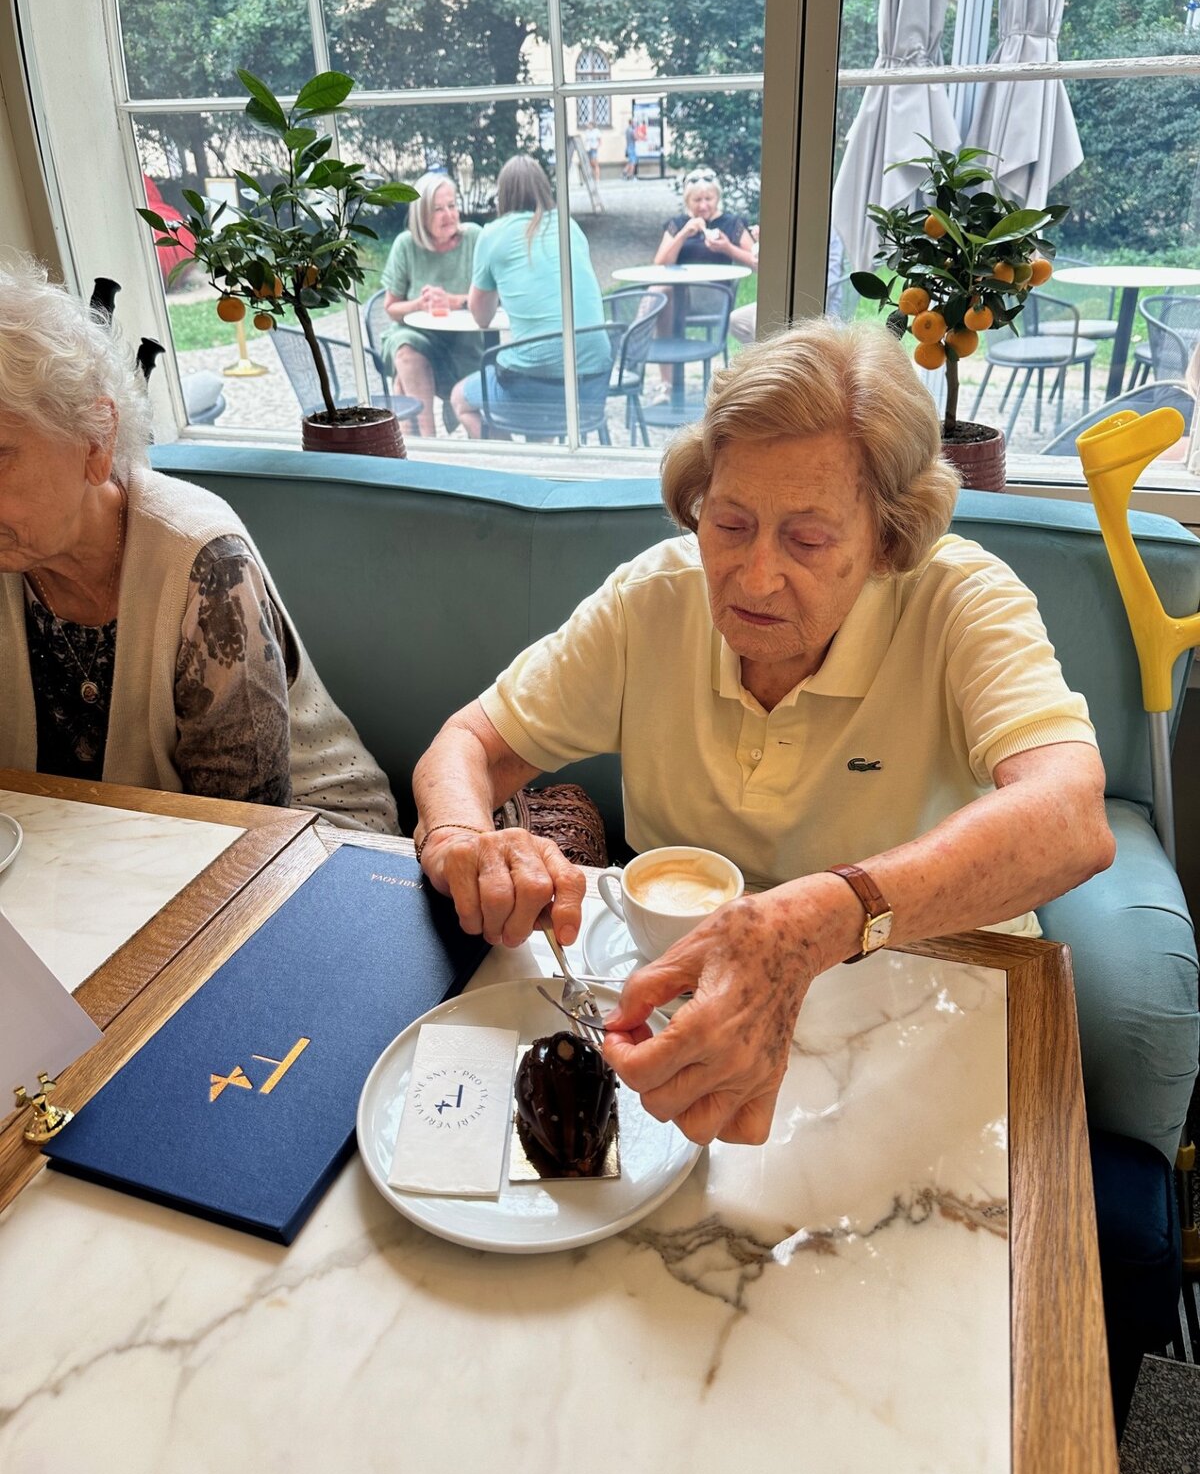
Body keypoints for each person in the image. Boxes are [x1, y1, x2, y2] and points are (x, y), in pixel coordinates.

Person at [413, 319, 1115, 1146]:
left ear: (887, 539)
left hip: (934, 1003)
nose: (754, 577)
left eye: (808, 539)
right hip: (688, 1005)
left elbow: (1071, 819)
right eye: (730, 524)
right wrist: (461, 837)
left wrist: (824, 916)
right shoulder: (653, 601)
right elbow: (471, 745)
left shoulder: (964, 603)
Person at [0, 265, 398, 833]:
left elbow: (243, 826)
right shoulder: (15, 551)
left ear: (95, 438)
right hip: (90, 841)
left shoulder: (207, 566)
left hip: (303, 841)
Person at [450, 156, 610, 440]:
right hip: (592, 381)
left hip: (534, 382)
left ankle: (507, 463)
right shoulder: (569, 226)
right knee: (540, 392)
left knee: (460, 398)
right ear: (544, 188)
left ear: (502, 193)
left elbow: (482, 317)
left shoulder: (493, 235)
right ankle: (534, 458)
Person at [377, 172, 483, 438]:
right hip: (414, 334)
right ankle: (429, 439)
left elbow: (497, 296)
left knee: (403, 381)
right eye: (438, 209)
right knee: (407, 352)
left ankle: (412, 440)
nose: (449, 215)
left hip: (464, 342)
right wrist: (419, 304)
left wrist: (454, 301)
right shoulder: (406, 245)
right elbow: (391, 308)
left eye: (452, 206)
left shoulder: (474, 238)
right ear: (421, 215)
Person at [649, 167, 757, 402]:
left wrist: (728, 248)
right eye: (697, 200)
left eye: (708, 199)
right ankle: (667, 385)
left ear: (717, 197)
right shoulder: (678, 224)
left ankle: (637, 339)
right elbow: (660, 264)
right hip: (679, 299)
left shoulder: (732, 223)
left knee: (658, 294)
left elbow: (756, 261)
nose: (703, 205)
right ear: (687, 202)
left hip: (715, 298)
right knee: (662, 294)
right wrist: (683, 234)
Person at [623, 117, 638, 181]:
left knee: (630, 161)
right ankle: (630, 176)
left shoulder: (627, 129)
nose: (635, 124)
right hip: (632, 148)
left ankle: (625, 171)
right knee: (633, 162)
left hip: (628, 147)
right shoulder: (632, 130)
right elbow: (635, 138)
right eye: (634, 123)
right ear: (632, 123)